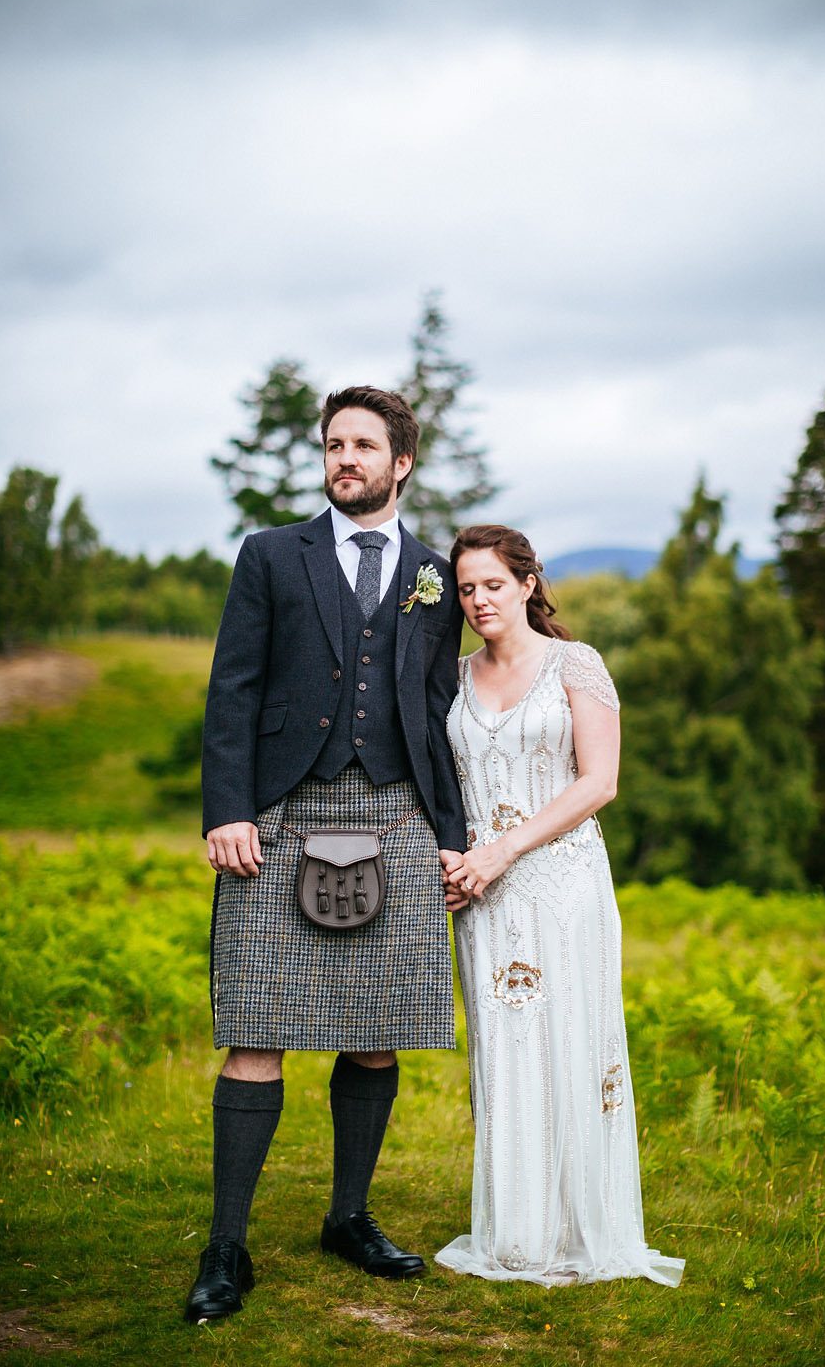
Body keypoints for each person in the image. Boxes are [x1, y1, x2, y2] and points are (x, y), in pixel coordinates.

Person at [184, 385, 467, 1323]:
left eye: (363, 446)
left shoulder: (434, 572)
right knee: (257, 1028)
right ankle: (227, 1246)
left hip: (396, 816)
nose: (344, 458)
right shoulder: (271, 554)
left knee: (376, 1028)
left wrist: (454, 841)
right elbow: (233, 687)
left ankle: (348, 1218)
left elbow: (432, 718)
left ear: (402, 463)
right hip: (281, 814)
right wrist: (228, 808)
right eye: (333, 445)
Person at [435, 525, 684, 1288]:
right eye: (468, 588)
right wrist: (457, 852)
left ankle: (586, 1226)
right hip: (482, 892)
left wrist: (507, 849)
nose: (479, 600)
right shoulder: (451, 677)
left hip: (563, 882)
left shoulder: (576, 664)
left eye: (494, 585)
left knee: (573, 1043)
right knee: (504, 1054)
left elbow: (599, 782)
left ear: (529, 583)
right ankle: (518, 1232)